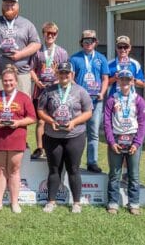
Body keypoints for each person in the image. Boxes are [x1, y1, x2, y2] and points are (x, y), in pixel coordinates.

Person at [37, 62, 92, 214]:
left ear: (72, 75)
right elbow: (40, 110)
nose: (64, 75)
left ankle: (76, 203)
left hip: (75, 135)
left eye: (67, 73)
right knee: (54, 169)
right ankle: (51, 201)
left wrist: (74, 122)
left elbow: (88, 112)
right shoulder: (48, 91)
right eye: (61, 72)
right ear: (57, 74)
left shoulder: (81, 91)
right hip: (53, 135)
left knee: (73, 169)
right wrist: (50, 121)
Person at [0, 65, 36, 213]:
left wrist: (18, 123)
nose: (8, 83)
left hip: (16, 137)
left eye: (11, 80)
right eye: (5, 80)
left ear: (16, 81)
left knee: (14, 170)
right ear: (2, 81)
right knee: (0, 169)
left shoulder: (24, 98)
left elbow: (32, 117)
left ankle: (14, 202)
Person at [0, 0, 41, 97]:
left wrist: (21, 54)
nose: (9, 7)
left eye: (12, 4)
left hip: (22, 73)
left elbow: (36, 44)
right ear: (2, 5)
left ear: (18, 6)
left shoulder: (27, 24)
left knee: (22, 106)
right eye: (6, 4)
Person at [104, 70, 145, 215]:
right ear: (118, 82)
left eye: (128, 80)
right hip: (116, 139)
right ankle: (113, 203)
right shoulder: (112, 99)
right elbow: (107, 123)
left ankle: (134, 203)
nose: (125, 83)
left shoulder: (139, 100)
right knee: (115, 173)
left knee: (133, 174)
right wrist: (111, 141)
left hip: (133, 138)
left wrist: (137, 143)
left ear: (132, 82)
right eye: (122, 80)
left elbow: (142, 123)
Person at [70, 30, 109, 173]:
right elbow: (71, 78)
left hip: (96, 101)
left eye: (91, 41)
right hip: (79, 102)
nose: (88, 43)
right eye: (85, 41)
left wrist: (102, 93)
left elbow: (105, 79)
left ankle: (92, 162)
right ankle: (75, 161)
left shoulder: (101, 58)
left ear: (95, 42)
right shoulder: (74, 58)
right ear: (82, 43)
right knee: (78, 132)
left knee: (93, 132)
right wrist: (79, 93)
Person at [30, 22, 68, 159]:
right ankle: (40, 148)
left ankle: (52, 149)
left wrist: (58, 79)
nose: (50, 35)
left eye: (53, 33)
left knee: (53, 120)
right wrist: (36, 81)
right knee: (41, 121)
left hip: (56, 90)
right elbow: (31, 69)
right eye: (48, 33)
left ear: (56, 35)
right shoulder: (37, 51)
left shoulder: (62, 52)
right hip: (40, 90)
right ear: (43, 34)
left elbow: (66, 72)